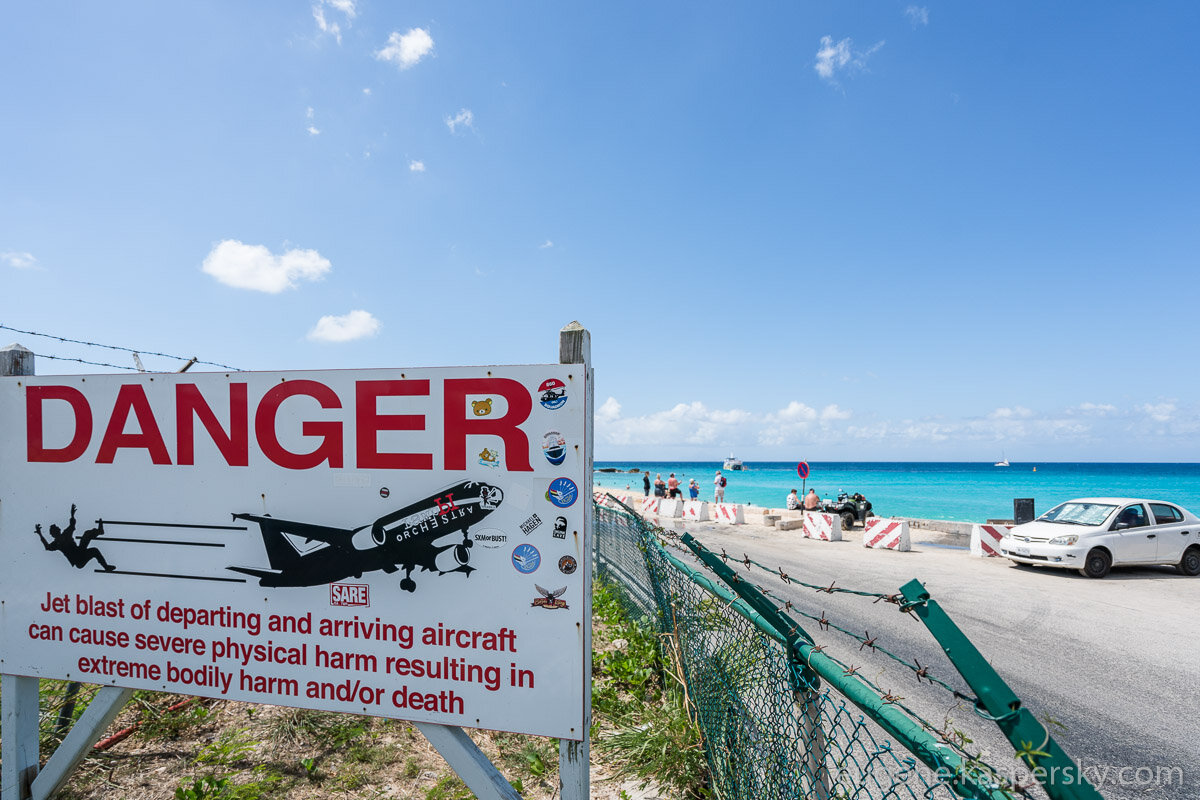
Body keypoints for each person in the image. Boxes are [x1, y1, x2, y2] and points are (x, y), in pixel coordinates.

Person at [36, 504, 116, 572]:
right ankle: (106, 567)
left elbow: (72, 524)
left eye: (57, 530)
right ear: (53, 534)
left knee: (86, 534)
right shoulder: (56, 543)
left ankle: (99, 531)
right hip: (78, 560)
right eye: (55, 531)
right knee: (94, 550)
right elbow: (47, 547)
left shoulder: (66, 533)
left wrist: (72, 515)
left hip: (80, 551)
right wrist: (40, 534)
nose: (57, 532)